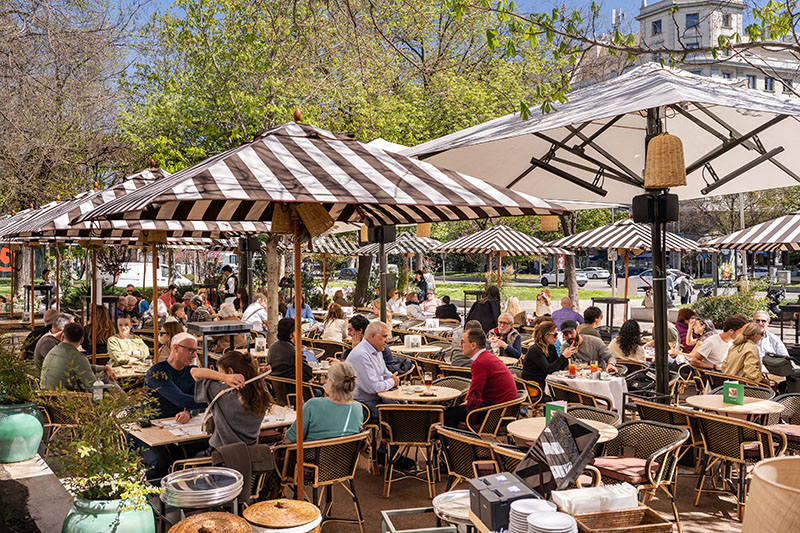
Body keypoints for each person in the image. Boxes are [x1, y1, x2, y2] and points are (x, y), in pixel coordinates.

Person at [192, 350, 271, 450]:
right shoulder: (260, 393)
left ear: (230, 372)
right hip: (250, 454)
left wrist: (224, 378)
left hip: (222, 454)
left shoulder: (221, 392)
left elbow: (194, 372)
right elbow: (253, 381)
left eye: (220, 372)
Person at [443, 328, 517, 428]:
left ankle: (460, 442)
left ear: (473, 345)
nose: (460, 346)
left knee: (446, 414)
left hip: (496, 413)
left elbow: (475, 394)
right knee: (455, 411)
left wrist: (470, 421)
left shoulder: (480, 362)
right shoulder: (486, 356)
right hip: (506, 409)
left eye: (463, 342)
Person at [286, 361, 363, 443]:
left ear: (331, 381)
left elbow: (290, 439)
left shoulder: (313, 405)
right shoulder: (357, 408)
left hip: (310, 455)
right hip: (346, 455)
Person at [145, 332, 206, 420]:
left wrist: (188, 412)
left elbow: (196, 399)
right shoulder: (157, 372)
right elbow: (179, 399)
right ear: (176, 348)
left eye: (195, 351)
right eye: (190, 350)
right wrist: (214, 400)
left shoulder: (191, 371)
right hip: (154, 423)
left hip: (179, 425)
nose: (194, 355)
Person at [347, 321, 399, 419]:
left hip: (376, 398)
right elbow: (374, 387)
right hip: (362, 405)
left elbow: (385, 373)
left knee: (405, 407)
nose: (387, 340)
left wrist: (392, 379)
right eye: (384, 336)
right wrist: (392, 381)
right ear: (372, 336)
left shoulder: (376, 350)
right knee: (400, 416)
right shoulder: (362, 354)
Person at [41, 323, 112, 391]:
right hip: (67, 398)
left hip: (47, 396)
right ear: (82, 340)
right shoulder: (77, 357)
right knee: (106, 382)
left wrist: (102, 368)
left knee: (103, 376)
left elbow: (83, 367)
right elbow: (92, 386)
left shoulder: (52, 351)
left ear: (62, 337)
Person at [343, 314, 412, 375]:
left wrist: (355, 348)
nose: (348, 333)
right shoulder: (365, 344)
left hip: (386, 375)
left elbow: (363, 369)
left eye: (350, 330)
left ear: (360, 331)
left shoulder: (374, 345)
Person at [521, 319, 571, 389]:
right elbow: (548, 369)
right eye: (554, 334)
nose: (556, 337)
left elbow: (557, 367)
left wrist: (567, 356)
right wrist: (563, 356)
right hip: (534, 386)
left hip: (546, 381)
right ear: (545, 334)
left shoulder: (551, 347)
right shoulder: (535, 350)